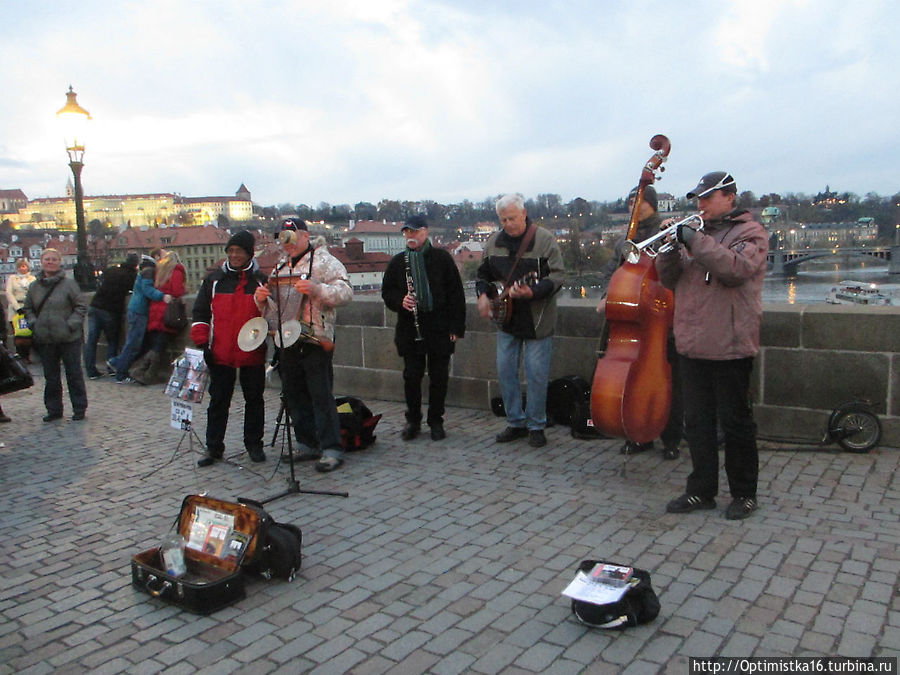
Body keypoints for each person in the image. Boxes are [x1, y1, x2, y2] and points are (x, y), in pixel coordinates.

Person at [655, 171, 768, 520]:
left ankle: (744, 493)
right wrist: (671, 249)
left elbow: (734, 269)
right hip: (692, 342)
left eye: (707, 198)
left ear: (730, 197)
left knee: (735, 424)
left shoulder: (751, 233)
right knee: (698, 424)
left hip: (731, 344)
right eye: (698, 199)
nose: (700, 205)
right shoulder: (697, 235)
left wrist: (692, 239)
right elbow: (668, 279)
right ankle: (700, 491)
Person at [254, 219, 353, 473]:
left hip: (316, 338)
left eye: (290, 235)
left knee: (321, 394)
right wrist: (261, 301)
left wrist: (317, 289)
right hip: (287, 338)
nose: (286, 241)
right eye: (282, 236)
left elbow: (345, 293)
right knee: (294, 394)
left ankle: (331, 447)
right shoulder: (281, 267)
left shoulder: (326, 262)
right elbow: (275, 309)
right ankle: (307, 442)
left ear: (305, 235)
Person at [595, 185, 683, 460]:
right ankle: (638, 433)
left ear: (652, 203)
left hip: (660, 316)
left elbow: (676, 270)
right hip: (634, 316)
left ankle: (671, 438)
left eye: (640, 198)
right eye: (631, 199)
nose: (635, 203)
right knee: (632, 381)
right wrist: (607, 294)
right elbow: (613, 271)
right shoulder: (626, 239)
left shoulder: (665, 230)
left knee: (669, 382)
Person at [476, 193, 564, 448]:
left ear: (524, 214)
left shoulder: (544, 240)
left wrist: (533, 291)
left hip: (537, 318)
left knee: (536, 374)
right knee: (505, 371)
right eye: (503, 219)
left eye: (512, 218)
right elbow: (482, 275)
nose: (508, 224)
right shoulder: (493, 243)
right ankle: (515, 422)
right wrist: (482, 295)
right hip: (507, 318)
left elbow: (558, 276)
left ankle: (536, 424)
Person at [381, 215, 466, 441]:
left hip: (439, 327)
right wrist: (401, 301)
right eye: (407, 232)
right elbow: (387, 292)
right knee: (411, 376)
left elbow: (456, 294)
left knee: (439, 377)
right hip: (410, 329)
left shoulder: (442, 258)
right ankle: (413, 421)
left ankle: (436, 421)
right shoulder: (398, 262)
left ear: (426, 233)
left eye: (415, 232)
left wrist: (456, 327)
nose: (411, 236)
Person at [192, 231, 268, 466]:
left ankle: (254, 444)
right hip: (221, 351)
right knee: (218, 401)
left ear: (249, 254)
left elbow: (272, 316)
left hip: (252, 350)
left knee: (254, 400)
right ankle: (214, 447)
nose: (234, 255)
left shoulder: (261, 281)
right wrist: (202, 342)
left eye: (239, 251)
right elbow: (201, 312)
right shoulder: (214, 280)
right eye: (231, 251)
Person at [23, 248, 88, 421]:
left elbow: (81, 306)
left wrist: (71, 324)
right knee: (51, 377)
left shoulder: (69, 285)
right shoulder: (34, 286)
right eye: (47, 259)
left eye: (53, 259)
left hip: (68, 337)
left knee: (74, 374)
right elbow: (27, 308)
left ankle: (79, 408)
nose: (50, 262)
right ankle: (54, 409)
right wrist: (34, 323)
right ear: (41, 262)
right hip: (45, 337)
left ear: (59, 262)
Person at [108, 252, 171, 383]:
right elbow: (148, 290)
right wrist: (162, 296)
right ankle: (120, 372)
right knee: (133, 343)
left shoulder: (144, 270)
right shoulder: (149, 271)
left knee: (134, 343)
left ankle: (116, 362)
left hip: (136, 309)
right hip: (139, 311)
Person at [133, 250, 186, 384]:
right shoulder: (177, 270)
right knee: (159, 345)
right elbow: (177, 291)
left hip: (155, 309)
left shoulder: (160, 270)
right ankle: (145, 373)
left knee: (157, 343)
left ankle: (143, 371)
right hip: (167, 311)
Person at [84, 253, 138, 379]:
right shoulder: (132, 276)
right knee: (112, 340)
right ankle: (111, 367)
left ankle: (90, 370)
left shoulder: (112, 269)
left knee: (92, 340)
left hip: (95, 305)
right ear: (135, 265)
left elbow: (100, 281)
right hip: (111, 309)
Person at [5, 258, 36, 363]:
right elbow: (9, 293)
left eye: (24, 266)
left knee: (29, 334)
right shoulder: (12, 278)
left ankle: (28, 356)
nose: (22, 268)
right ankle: (20, 355)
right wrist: (17, 307)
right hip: (15, 309)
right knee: (17, 334)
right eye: (20, 266)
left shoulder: (33, 278)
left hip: (29, 308)